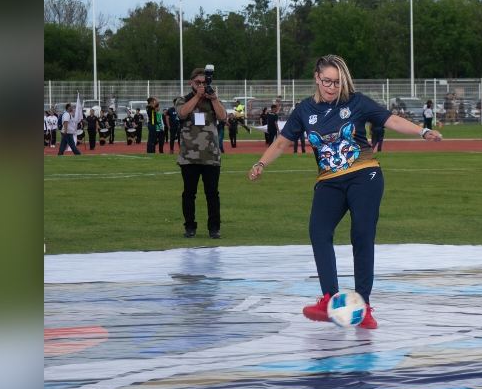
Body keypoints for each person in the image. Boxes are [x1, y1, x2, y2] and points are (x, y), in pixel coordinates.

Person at [248, 54, 443, 329]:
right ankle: (329, 298)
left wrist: (422, 131)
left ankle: (363, 305)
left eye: (337, 82)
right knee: (319, 231)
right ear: (316, 78)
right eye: (327, 81)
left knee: (361, 234)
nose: (332, 87)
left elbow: (391, 121)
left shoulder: (357, 102)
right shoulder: (304, 110)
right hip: (329, 181)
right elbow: (281, 142)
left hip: (365, 176)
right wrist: (261, 163)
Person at [176, 68, 226, 239]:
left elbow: (223, 116)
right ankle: (190, 227)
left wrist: (214, 99)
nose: (202, 85)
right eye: (198, 82)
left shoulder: (212, 100)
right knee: (189, 193)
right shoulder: (184, 99)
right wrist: (197, 96)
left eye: (204, 83)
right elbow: (182, 113)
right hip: (189, 157)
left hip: (211, 156)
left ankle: (214, 228)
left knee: (212, 194)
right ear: (191, 83)